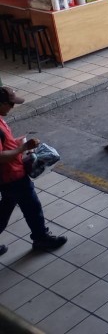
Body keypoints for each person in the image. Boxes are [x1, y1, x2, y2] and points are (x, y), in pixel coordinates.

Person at [0, 86, 68, 256]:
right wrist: (23, 147)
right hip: (12, 176)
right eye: (10, 104)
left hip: (8, 176)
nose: (12, 107)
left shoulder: (1, 119)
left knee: (5, 208)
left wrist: (18, 144)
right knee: (32, 207)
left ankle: (41, 237)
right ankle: (41, 238)